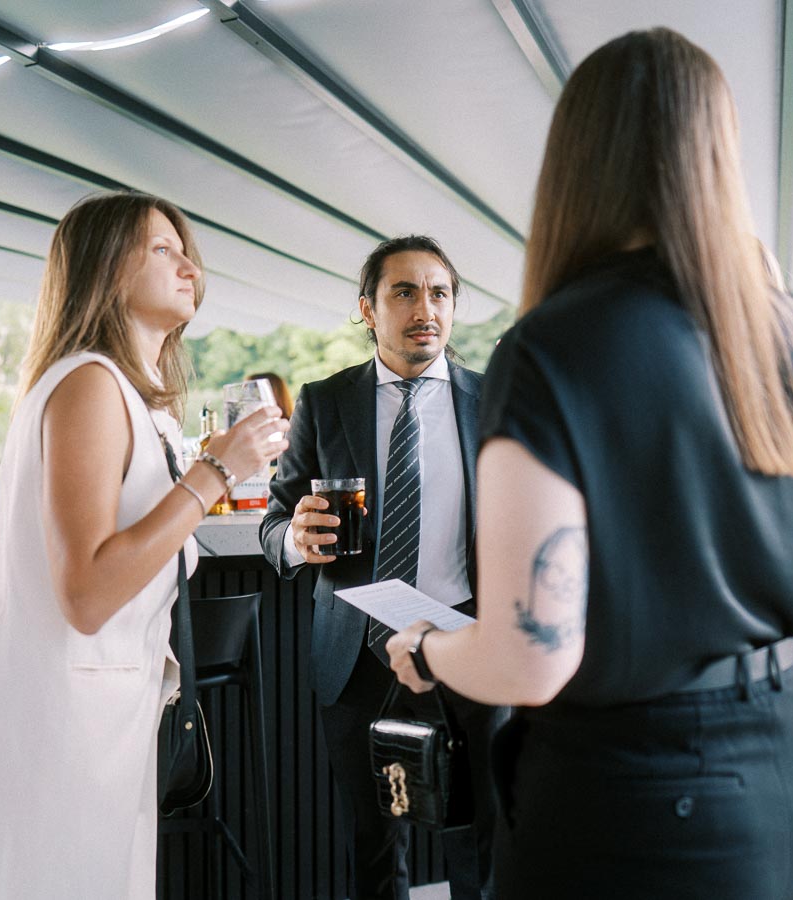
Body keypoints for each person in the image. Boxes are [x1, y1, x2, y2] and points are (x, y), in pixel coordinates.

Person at [385, 29, 793, 898]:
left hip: (643, 792)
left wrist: (429, 646)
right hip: (790, 757)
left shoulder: (559, 345)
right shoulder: (784, 334)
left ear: (576, 159)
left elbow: (530, 659)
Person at [0, 191, 288, 897]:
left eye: (187, 252)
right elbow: (86, 593)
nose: (190, 268)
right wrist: (216, 474)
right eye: (162, 250)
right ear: (108, 270)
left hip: (96, 723)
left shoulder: (128, 398)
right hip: (43, 732)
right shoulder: (88, 384)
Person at [259, 235, 498, 900]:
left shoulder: (498, 400)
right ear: (367, 308)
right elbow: (275, 524)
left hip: (470, 642)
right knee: (371, 843)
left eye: (440, 292)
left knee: (481, 837)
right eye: (404, 291)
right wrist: (293, 539)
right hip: (357, 650)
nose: (426, 307)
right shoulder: (324, 401)